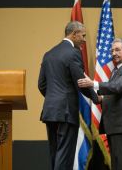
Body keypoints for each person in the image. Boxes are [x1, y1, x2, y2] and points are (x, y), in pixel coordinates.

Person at [38, 21, 100, 170]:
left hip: (50, 111)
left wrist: (54, 98)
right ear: (74, 34)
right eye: (83, 35)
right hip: (65, 112)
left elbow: (41, 85)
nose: (84, 40)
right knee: (65, 154)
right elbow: (81, 82)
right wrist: (97, 98)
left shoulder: (49, 54)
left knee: (55, 152)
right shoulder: (73, 53)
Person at [78, 38, 122, 170]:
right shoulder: (118, 70)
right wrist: (100, 98)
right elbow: (116, 93)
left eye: (117, 50)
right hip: (115, 124)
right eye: (112, 50)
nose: (113, 53)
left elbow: (117, 87)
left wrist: (93, 83)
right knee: (117, 164)